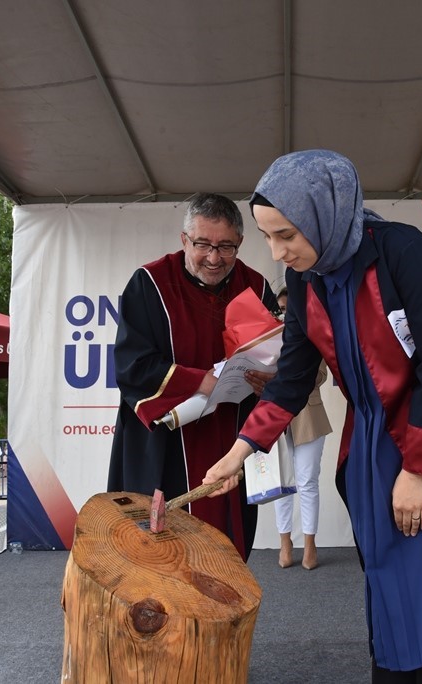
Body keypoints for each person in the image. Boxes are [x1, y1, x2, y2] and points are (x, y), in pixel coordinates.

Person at [203, 150, 422, 681]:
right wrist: (238, 454)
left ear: (327, 214)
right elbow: (292, 378)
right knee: (389, 581)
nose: (278, 252)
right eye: (268, 237)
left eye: (287, 235)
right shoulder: (308, 281)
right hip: (373, 446)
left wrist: (419, 469)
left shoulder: (403, 252)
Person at [107, 192, 278, 561]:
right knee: (162, 558)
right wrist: (199, 381)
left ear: (241, 243)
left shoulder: (257, 287)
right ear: (185, 239)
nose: (214, 258)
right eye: (203, 244)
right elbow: (131, 366)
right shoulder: (150, 284)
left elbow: (275, 360)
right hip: (166, 444)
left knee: (226, 553)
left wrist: (268, 382)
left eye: (226, 247)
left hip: (229, 439)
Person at [273, 286, 332, 570]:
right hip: (274, 417)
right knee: (281, 484)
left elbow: (320, 375)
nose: (285, 315)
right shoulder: (265, 340)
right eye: (281, 310)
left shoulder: (313, 336)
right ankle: (285, 544)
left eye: (289, 309)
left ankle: (310, 545)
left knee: (307, 482)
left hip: (309, 415)